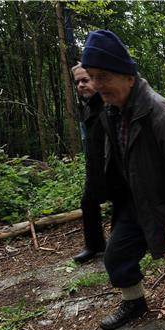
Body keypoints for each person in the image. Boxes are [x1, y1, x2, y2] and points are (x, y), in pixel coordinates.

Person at [81, 29, 165, 330]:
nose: (97, 85)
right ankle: (134, 300)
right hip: (133, 203)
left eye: (104, 76)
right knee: (116, 255)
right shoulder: (110, 110)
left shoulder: (159, 112)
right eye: (93, 77)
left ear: (128, 76)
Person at [71, 63, 107, 264]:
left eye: (85, 80)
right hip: (95, 170)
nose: (81, 85)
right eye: (78, 82)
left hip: (112, 170)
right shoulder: (88, 107)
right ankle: (95, 245)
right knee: (88, 203)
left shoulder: (107, 104)